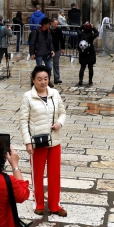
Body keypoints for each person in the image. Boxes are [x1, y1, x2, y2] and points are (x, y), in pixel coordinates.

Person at [20, 66, 67, 217]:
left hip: (54, 140)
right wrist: (28, 142)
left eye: (45, 79)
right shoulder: (28, 97)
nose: (43, 82)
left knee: (55, 174)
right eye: (39, 79)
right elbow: (23, 121)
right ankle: (38, 203)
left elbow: (62, 112)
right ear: (33, 80)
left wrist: (59, 123)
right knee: (37, 173)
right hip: (38, 141)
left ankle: (55, 205)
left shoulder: (54, 94)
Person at [76, 22, 99, 87]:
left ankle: (80, 81)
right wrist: (93, 27)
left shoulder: (81, 34)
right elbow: (97, 33)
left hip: (83, 52)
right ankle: (90, 81)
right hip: (90, 51)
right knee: (90, 67)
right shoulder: (91, 35)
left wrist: (83, 25)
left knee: (82, 67)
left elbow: (78, 30)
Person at [50, 18, 65, 84]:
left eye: (57, 24)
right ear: (51, 23)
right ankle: (48, 78)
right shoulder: (48, 30)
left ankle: (56, 78)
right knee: (49, 65)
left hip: (57, 48)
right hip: (49, 49)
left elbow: (61, 39)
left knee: (56, 64)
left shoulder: (59, 30)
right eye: (55, 24)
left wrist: (63, 48)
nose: (56, 25)